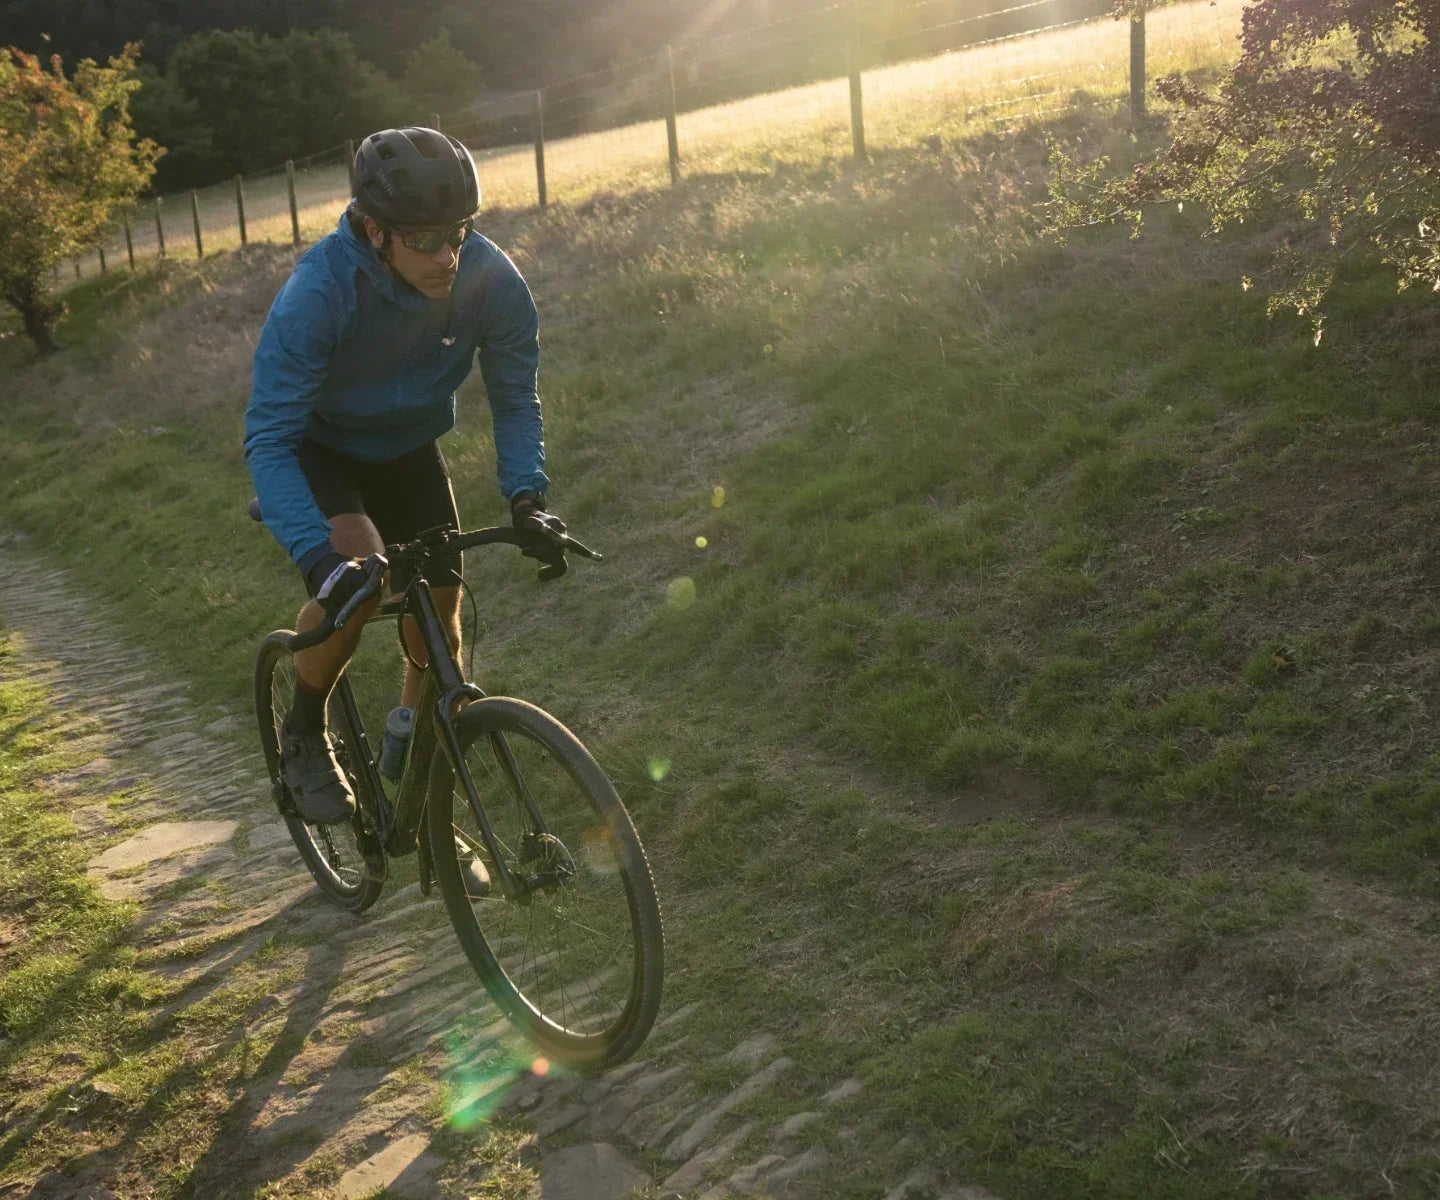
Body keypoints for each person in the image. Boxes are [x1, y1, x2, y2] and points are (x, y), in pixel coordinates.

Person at [244, 126, 563, 833]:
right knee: (358, 578)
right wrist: (316, 556)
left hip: (408, 448)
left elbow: (514, 398)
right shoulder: (320, 293)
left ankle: (405, 783)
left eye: (457, 233)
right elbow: (268, 437)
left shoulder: (490, 280)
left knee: (442, 627)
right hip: (317, 450)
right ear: (372, 230)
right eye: (423, 240)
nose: (446, 255)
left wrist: (526, 496)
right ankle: (304, 728)